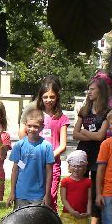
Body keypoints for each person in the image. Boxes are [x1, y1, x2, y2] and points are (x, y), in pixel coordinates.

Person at [72, 77, 111, 224]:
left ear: (100, 91)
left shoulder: (106, 113)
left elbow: (101, 136)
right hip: (83, 153)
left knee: (96, 189)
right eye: (89, 89)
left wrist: (86, 134)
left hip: (99, 154)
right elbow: (74, 134)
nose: (89, 92)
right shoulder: (83, 110)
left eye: (92, 89)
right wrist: (93, 136)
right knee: (79, 186)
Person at [25, 77, 68, 210]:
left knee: (49, 198)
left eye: (52, 97)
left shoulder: (62, 118)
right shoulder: (35, 115)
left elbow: (63, 145)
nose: (48, 100)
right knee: (34, 198)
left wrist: (47, 158)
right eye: (45, 97)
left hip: (52, 165)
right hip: (34, 163)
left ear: (57, 97)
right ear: (40, 97)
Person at [8, 106, 53, 209]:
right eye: (29, 126)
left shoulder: (46, 146)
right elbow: (15, 169)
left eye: (36, 126)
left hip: (38, 195)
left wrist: (47, 194)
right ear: (25, 125)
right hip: (21, 194)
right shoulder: (19, 145)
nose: (32, 129)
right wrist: (12, 192)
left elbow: (49, 171)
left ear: (42, 127)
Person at [58, 150, 92, 224]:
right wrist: (72, 211)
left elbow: (89, 198)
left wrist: (88, 212)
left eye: (80, 166)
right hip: (68, 215)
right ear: (70, 167)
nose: (77, 169)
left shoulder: (87, 182)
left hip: (82, 216)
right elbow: (63, 199)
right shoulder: (65, 181)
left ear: (84, 168)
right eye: (74, 166)